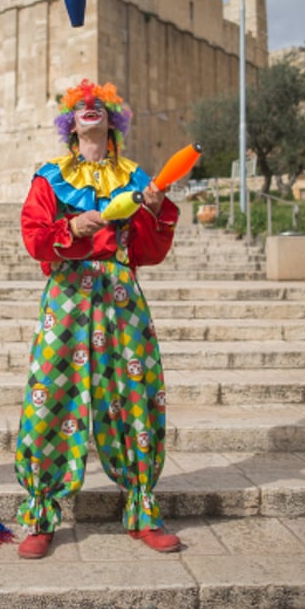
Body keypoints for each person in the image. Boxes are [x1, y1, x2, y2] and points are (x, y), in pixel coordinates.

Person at [15, 78, 182, 559]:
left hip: (120, 293)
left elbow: (150, 253)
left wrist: (153, 211)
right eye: (81, 106)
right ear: (71, 122)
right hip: (67, 293)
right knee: (51, 397)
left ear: (112, 120)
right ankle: (42, 513)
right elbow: (34, 237)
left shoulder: (135, 176)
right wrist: (70, 227)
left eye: (100, 105)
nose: (90, 107)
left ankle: (141, 509)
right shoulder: (50, 176)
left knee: (133, 397)